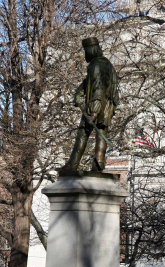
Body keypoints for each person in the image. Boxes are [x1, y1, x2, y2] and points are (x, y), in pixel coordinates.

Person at [60, 37, 119, 174]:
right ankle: (99, 164)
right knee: (101, 135)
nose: (85, 53)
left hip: (94, 106)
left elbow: (98, 87)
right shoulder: (107, 64)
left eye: (86, 50)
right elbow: (88, 83)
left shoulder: (96, 64)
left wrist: (93, 111)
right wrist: (79, 95)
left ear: (90, 50)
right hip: (107, 107)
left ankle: (72, 165)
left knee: (82, 134)